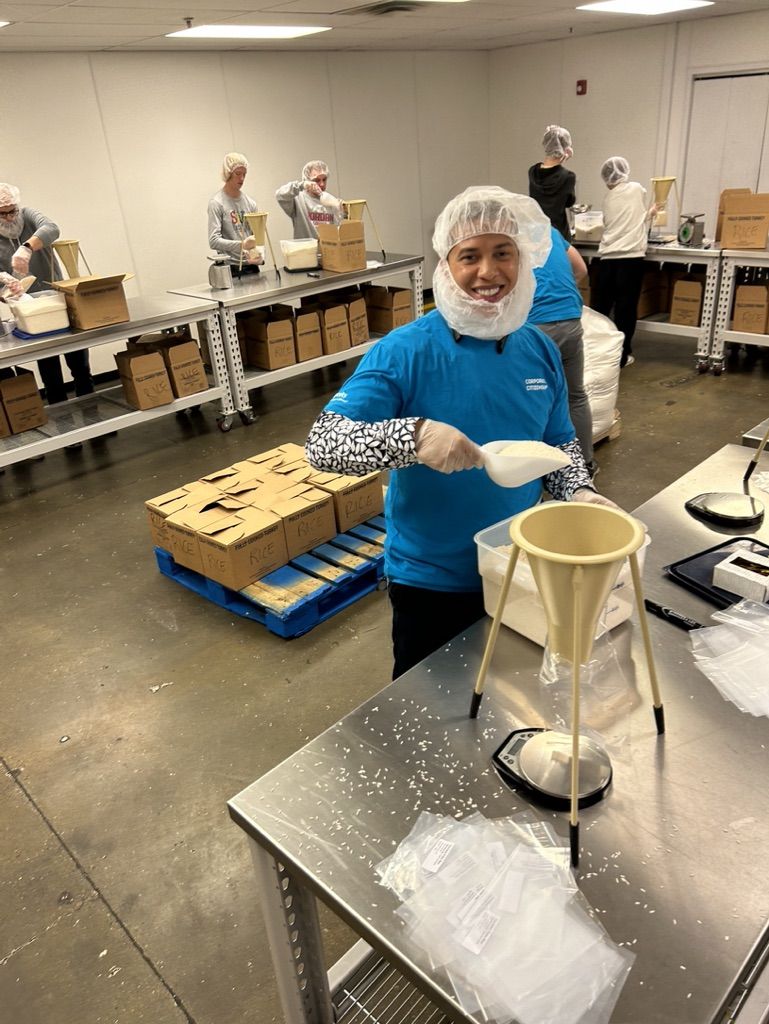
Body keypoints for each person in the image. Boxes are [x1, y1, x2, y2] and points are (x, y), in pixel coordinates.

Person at [305, 186, 615, 679]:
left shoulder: (538, 349)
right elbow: (323, 445)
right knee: (429, 701)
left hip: (519, 567)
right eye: (469, 256)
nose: (488, 272)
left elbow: (558, 444)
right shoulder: (405, 350)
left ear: (524, 259)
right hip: (430, 580)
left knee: (510, 692)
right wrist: (413, 437)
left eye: (503, 253)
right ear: (446, 265)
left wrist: (579, 490)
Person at [0, 183, 93, 405]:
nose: (10, 218)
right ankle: (62, 418)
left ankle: (92, 409)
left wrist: (27, 247)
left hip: (58, 299)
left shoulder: (28, 215)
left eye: (12, 211)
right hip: (29, 309)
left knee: (79, 362)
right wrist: (5, 288)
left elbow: (51, 228)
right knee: (50, 370)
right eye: (2, 214)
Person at [530, 225, 595, 475]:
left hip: (535, 326)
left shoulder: (505, 238)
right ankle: (586, 463)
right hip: (570, 318)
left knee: (532, 396)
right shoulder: (549, 231)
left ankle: (538, 466)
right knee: (575, 395)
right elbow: (581, 269)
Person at [592, 157, 656, 369]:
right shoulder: (637, 189)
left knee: (601, 310)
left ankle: (598, 353)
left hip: (607, 259)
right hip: (631, 259)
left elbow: (626, 218)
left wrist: (647, 215)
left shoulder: (608, 198)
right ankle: (622, 356)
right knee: (625, 310)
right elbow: (633, 216)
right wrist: (650, 214)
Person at [207, 153, 263, 276]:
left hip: (251, 266)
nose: (242, 178)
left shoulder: (250, 203)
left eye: (244, 174)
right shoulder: (216, 203)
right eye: (238, 174)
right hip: (230, 268)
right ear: (228, 173)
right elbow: (214, 241)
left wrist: (259, 254)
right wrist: (241, 245)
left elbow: (255, 237)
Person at [528, 125, 576, 242]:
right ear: (566, 149)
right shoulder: (568, 176)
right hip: (559, 234)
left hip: (538, 234)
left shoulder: (532, 171)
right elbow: (569, 202)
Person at [275, 160, 344, 239]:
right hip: (306, 246)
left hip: (327, 246)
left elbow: (338, 229)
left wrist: (342, 212)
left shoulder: (330, 200)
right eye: (317, 180)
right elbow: (280, 195)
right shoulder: (298, 199)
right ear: (307, 180)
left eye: (324, 179)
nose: (322, 184)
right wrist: (301, 185)